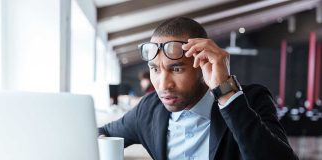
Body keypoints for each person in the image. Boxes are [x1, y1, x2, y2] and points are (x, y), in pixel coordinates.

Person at [99, 17, 298, 160]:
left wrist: (226, 92)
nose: (163, 84)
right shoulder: (148, 110)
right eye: (155, 69)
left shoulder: (251, 100)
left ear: (203, 65)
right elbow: (103, 133)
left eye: (176, 68)